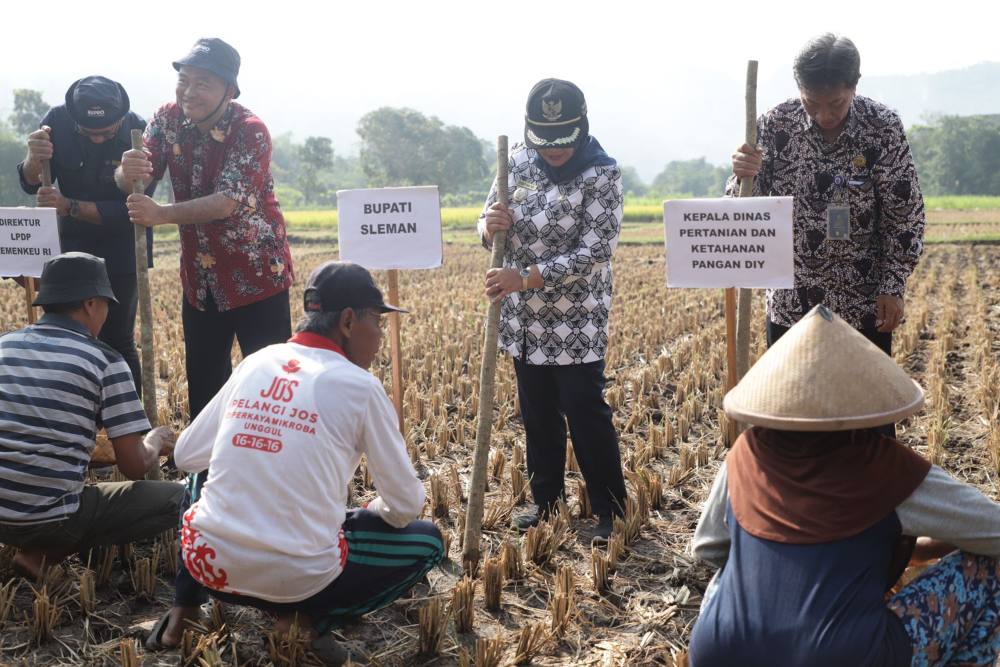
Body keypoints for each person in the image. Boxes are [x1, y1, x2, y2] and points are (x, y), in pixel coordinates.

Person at [148, 261, 443, 665]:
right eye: (377, 319)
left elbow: (186, 457)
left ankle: (184, 609)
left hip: (210, 568)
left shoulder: (257, 360)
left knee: (202, 474)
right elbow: (406, 506)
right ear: (348, 321)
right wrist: (361, 514)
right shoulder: (362, 387)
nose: (381, 334)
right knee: (427, 542)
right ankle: (303, 624)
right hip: (300, 581)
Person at [688, 304, 1000, 667]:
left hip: (721, 652)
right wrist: (933, 546)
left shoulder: (746, 453)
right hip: (842, 656)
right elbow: (994, 531)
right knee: (990, 570)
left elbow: (708, 549)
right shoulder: (887, 466)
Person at [115, 38, 295, 644]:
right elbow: (138, 173)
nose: (189, 93)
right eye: (184, 81)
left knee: (273, 382)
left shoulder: (251, 131)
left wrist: (160, 217)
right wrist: (129, 174)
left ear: (229, 90)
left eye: (202, 84)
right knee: (207, 388)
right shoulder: (166, 121)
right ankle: (212, 496)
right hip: (204, 282)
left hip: (258, 275)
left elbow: (229, 201)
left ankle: (280, 486)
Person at [478, 78, 627, 543]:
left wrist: (525, 278)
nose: (554, 151)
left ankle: (610, 510)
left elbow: (595, 252)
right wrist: (490, 225)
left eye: (564, 141)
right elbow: (484, 220)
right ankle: (547, 504)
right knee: (537, 413)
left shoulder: (602, 173)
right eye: (545, 142)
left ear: (581, 128)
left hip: (576, 317)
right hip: (524, 322)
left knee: (584, 411)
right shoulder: (516, 162)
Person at [730, 34, 925, 353]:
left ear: (854, 86)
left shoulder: (882, 128)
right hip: (792, 302)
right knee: (792, 400)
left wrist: (893, 286)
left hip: (863, 303)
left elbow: (905, 215)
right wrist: (742, 174)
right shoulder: (776, 125)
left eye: (835, 104)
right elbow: (745, 207)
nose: (823, 115)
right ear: (799, 89)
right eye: (811, 103)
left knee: (864, 400)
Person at [0, 252, 182, 579]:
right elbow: (134, 466)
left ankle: (29, 547)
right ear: (90, 304)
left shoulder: (4, 346)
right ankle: (45, 552)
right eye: (107, 305)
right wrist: (155, 440)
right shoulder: (105, 361)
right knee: (180, 498)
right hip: (51, 522)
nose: (107, 313)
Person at [16, 76, 152, 391]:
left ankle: (128, 424)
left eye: (107, 132)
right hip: (71, 247)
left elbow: (130, 210)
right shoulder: (55, 122)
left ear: (121, 119)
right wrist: (34, 158)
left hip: (123, 246)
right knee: (67, 335)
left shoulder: (139, 134)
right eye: (88, 133)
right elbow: (29, 182)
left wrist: (68, 206)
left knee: (117, 339)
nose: (98, 140)